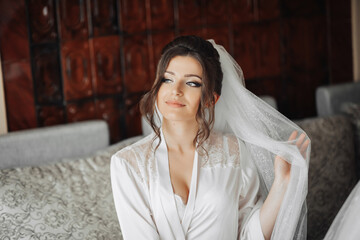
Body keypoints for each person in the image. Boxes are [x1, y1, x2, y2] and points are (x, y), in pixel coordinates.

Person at [111, 35, 311, 240]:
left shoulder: (234, 152)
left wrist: (281, 184)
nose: (176, 90)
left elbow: (249, 235)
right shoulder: (127, 164)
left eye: (192, 83)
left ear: (211, 99)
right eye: (167, 79)